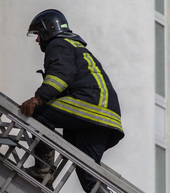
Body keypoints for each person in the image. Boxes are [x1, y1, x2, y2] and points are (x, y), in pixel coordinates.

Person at [20, 9, 124, 193]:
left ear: (47, 31)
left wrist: (38, 98)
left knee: (39, 114)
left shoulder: (58, 44)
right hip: (105, 116)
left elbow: (61, 76)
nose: (37, 40)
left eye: (38, 34)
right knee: (89, 179)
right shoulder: (74, 45)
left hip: (89, 106)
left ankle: (43, 170)